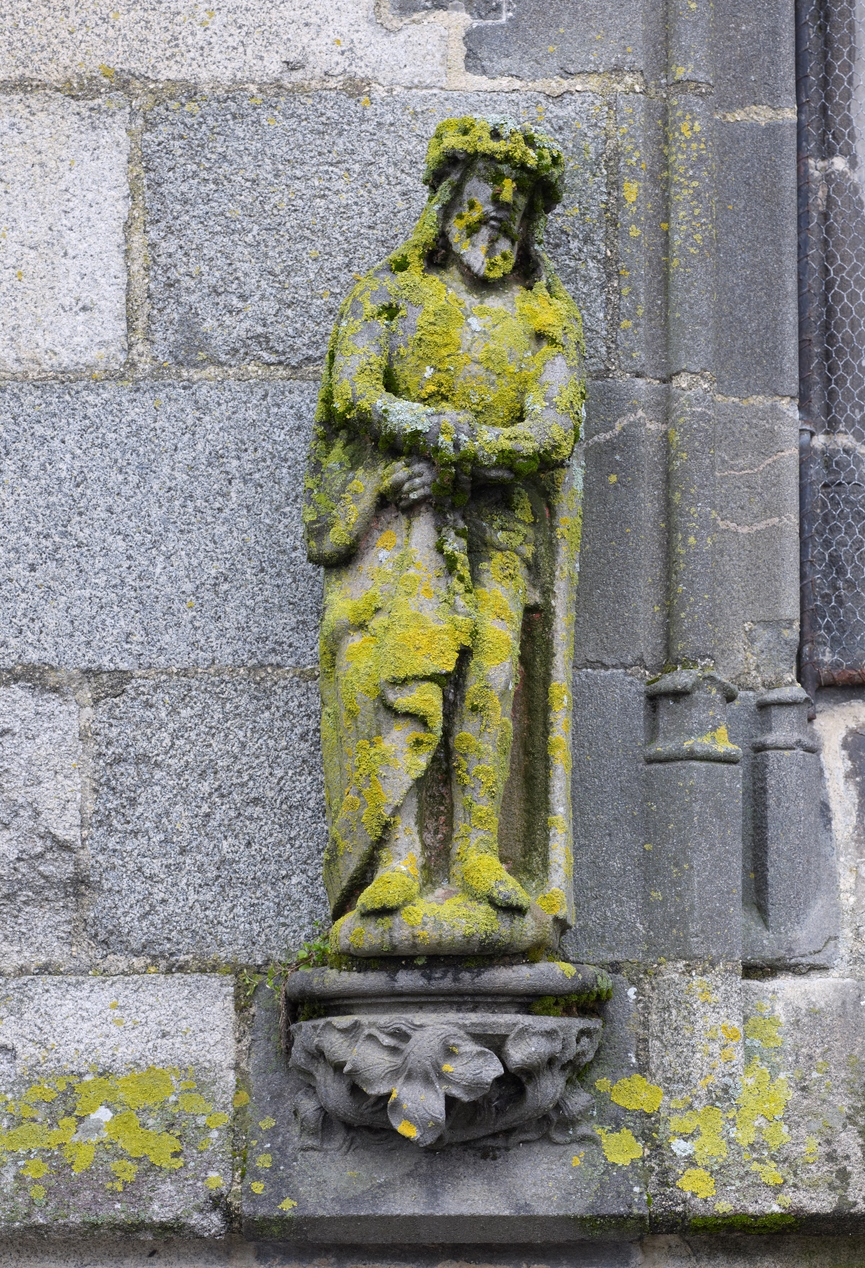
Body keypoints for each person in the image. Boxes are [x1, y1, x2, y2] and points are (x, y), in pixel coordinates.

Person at [303, 115, 584, 956]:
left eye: (515, 214)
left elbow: (552, 432)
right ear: (447, 203)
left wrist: (463, 459)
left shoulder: (543, 319)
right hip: (406, 528)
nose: (499, 224)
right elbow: (354, 393)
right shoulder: (386, 298)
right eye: (485, 204)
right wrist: (431, 437)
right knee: (403, 678)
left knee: (492, 682)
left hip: (499, 531)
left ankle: (476, 855)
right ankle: (395, 860)